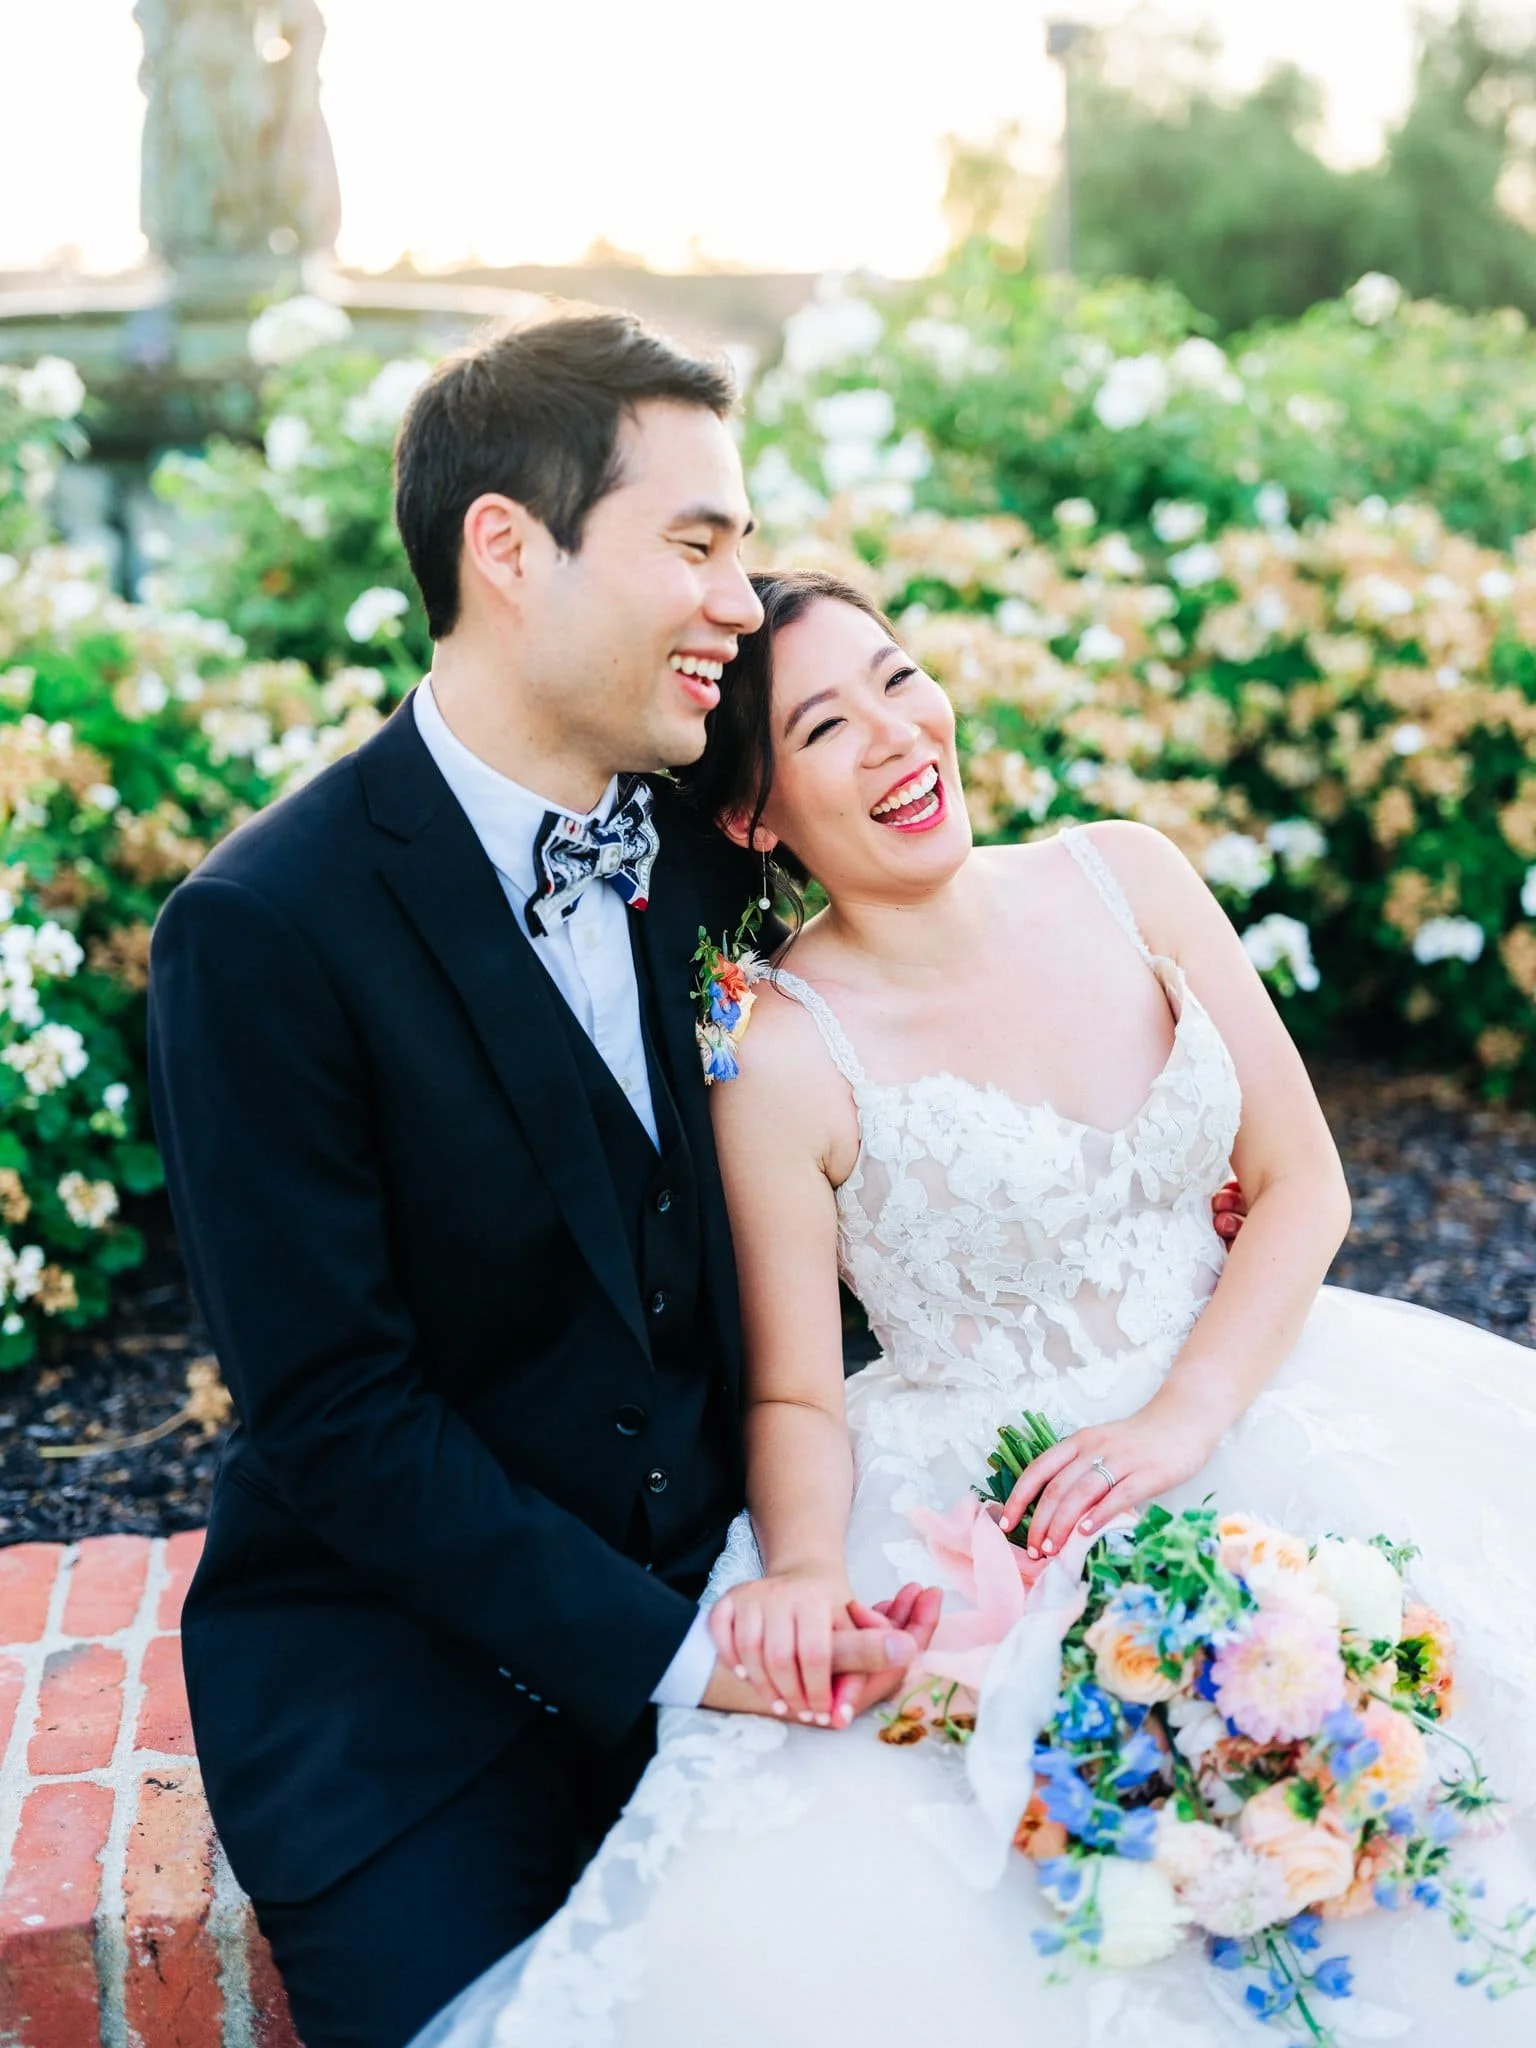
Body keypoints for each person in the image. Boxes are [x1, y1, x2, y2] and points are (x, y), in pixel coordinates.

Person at [412, 570, 1536, 2048]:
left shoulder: (1128, 875)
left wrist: (1183, 1417)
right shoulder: (777, 1050)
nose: (895, 733)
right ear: (753, 817)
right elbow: (796, 1391)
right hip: (989, 1495)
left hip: (1262, 1382)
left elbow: (1302, 1184)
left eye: (897, 678)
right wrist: (807, 1570)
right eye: (824, 727)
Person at [145, 322, 939, 2048]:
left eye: (743, 549)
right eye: (697, 545)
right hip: (412, 1696)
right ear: (508, 549)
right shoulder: (264, 931)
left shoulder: (704, 845)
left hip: (740, 1575)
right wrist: (685, 1664)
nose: (739, 604)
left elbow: (885, 1031)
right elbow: (338, 1415)